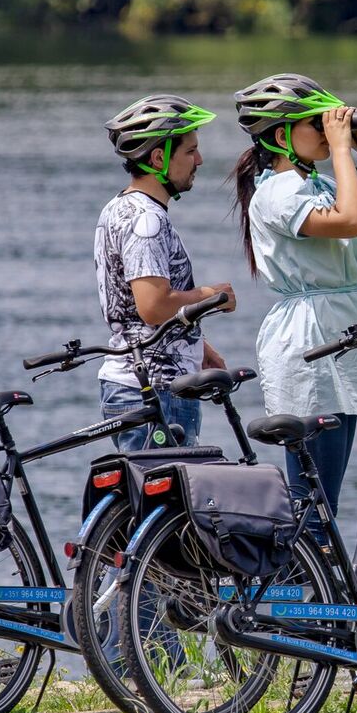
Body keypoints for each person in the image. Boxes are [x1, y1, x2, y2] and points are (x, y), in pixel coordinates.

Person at [229, 74, 357, 528]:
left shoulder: (321, 185)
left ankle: (315, 571)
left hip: (340, 333)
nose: (328, 130)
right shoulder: (277, 191)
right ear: (281, 137)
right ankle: (303, 572)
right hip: (310, 341)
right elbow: (351, 221)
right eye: (316, 123)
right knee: (312, 499)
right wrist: (341, 149)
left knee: (323, 495)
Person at [95, 94, 236, 450]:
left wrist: (197, 345)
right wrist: (212, 297)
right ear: (159, 158)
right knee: (165, 486)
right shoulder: (148, 220)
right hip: (156, 390)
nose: (199, 160)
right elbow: (153, 306)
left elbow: (133, 313)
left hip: (136, 382)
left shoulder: (118, 208)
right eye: (191, 151)